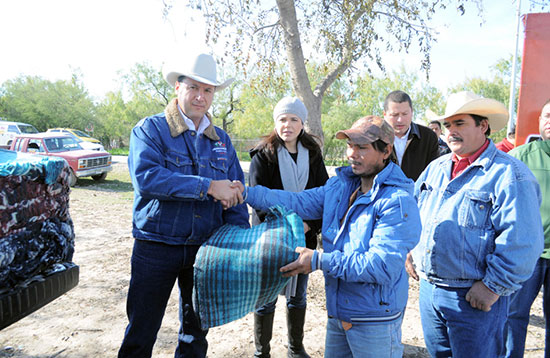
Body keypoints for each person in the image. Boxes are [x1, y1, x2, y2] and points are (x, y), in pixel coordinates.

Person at [235, 116, 422, 358]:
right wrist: (246, 192)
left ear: (386, 150)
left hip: (373, 320)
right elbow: (296, 201)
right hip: (339, 315)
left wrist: (318, 261)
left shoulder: (396, 202)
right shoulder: (341, 187)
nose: (352, 154)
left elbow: (380, 266)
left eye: (362, 147)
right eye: (350, 145)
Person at [118, 52, 250, 358]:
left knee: (195, 334)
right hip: (157, 245)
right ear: (178, 87)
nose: (201, 97)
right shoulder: (150, 130)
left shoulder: (222, 141)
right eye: (194, 87)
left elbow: (234, 194)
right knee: (141, 330)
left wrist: (240, 238)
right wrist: (207, 187)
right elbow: (147, 179)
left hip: (205, 249)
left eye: (208, 90)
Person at [405, 91, 544, 358]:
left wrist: (493, 287)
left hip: (474, 297)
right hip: (431, 290)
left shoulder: (509, 175)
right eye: (448, 125)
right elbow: (414, 210)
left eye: (460, 124)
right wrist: (410, 249)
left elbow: (523, 241)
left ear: (483, 126)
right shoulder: (436, 168)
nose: (451, 132)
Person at [248, 97, 329, 358]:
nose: (288, 125)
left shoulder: (313, 154)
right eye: (283, 119)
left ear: (302, 123)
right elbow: (259, 201)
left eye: (294, 119)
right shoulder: (263, 155)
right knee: (266, 298)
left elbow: (324, 195)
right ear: (276, 122)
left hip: (303, 238)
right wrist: (287, 226)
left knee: (297, 296)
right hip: (270, 238)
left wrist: (308, 225)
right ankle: (262, 352)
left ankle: (295, 348)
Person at [503, 99, 550, 358]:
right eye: (546, 116)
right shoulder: (520, 158)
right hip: (527, 254)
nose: (549, 122)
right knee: (513, 316)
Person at [383, 90, 439, 181]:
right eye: (395, 115)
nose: (400, 120)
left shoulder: (428, 137)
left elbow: (434, 174)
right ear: (384, 115)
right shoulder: (376, 137)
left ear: (412, 112)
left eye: (405, 114)